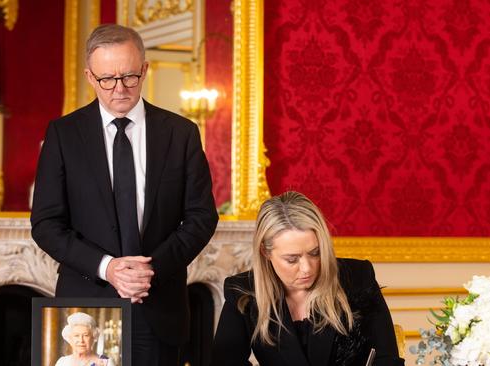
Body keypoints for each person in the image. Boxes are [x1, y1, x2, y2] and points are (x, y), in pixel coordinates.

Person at [31, 23, 219, 366]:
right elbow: (46, 224)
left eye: (130, 77)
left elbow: (201, 217)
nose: (119, 89)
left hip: (160, 307)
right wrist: (109, 268)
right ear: (90, 77)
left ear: (144, 70)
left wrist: (149, 270)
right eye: (107, 79)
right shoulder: (63, 134)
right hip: (86, 306)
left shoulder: (181, 133)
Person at [212, 191, 404, 366]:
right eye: (292, 259)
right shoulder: (243, 291)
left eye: (315, 253)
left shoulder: (357, 278)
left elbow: (387, 360)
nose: (307, 268)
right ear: (265, 251)